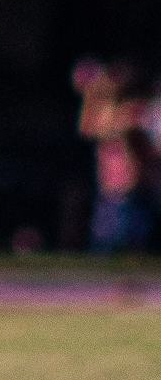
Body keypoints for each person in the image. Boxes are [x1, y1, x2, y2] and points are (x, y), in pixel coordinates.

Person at [73, 58, 157, 254]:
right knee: (106, 236)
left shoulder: (132, 109)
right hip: (113, 184)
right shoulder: (106, 111)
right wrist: (91, 93)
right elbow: (87, 129)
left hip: (132, 181)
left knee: (133, 235)